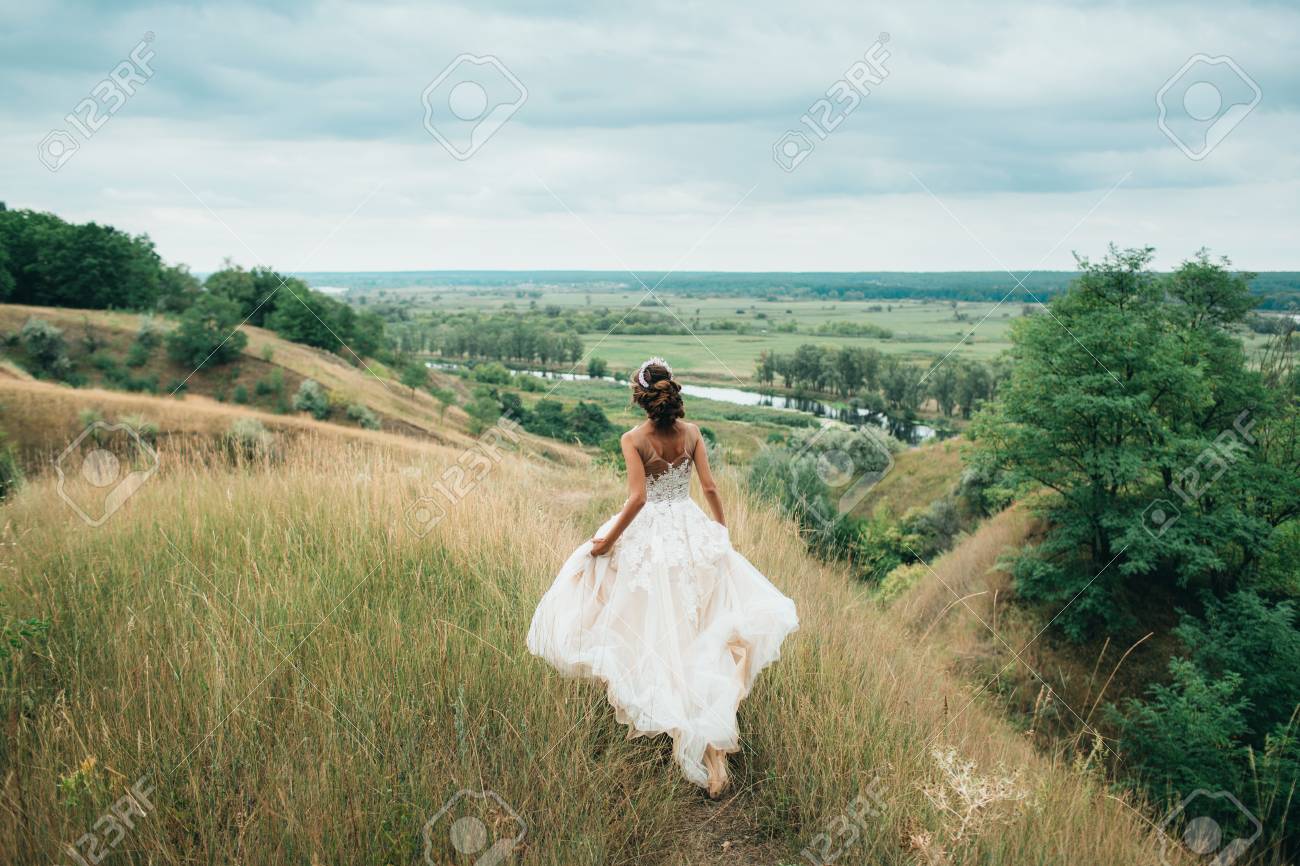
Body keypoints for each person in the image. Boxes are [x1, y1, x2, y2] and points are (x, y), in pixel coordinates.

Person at [527, 357, 799, 797]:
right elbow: (709, 487)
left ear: (640, 397)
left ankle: (675, 714)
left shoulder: (634, 439)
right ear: (671, 393)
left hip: (653, 534)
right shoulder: (691, 434)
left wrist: (607, 542)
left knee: (631, 610)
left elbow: (636, 500)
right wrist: (720, 532)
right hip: (692, 533)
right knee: (699, 631)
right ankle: (712, 751)